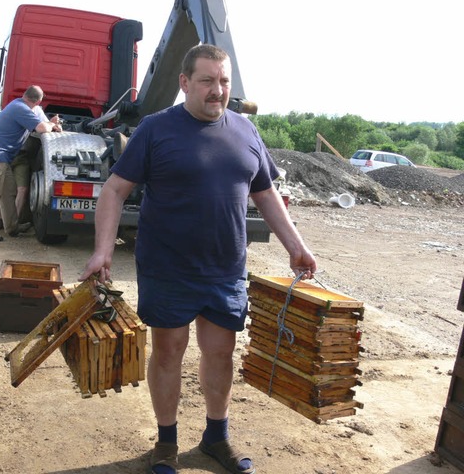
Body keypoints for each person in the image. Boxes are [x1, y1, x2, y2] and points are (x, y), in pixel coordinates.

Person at [79, 44, 317, 474]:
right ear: (184, 82)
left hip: (225, 268)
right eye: (207, 81)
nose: (217, 91)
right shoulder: (155, 129)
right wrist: (101, 251)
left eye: (224, 82)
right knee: (169, 352)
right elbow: (114, 190)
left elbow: (264, 194)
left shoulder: (246, 131)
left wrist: (296, 246)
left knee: (220, 353)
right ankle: (166, 441)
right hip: (167, 267)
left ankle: (215, 437)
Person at [0, 85, 61, 241]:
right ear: (39, 101)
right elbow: (42, 128)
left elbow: (43, 124)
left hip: (2, 156)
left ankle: (12, 227)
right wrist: (51, 124)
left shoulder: (20, 105)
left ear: (25, 94)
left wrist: (51, 124)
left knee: (9, 192)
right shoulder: (20, 108)